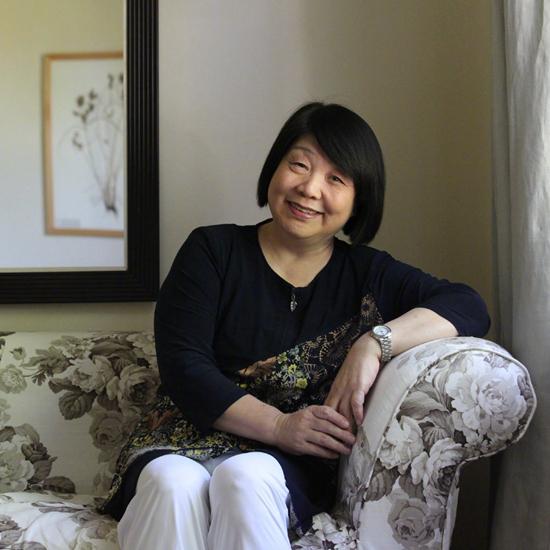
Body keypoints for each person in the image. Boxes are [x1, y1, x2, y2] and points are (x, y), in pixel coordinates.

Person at [100, 102, 490, 549]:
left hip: (282, 464)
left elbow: (468, 305)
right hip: (178, 440)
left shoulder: (369, 273)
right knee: (173, 482)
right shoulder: (212, 250)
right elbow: (185, 368)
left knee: (246, 476)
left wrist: (374, 342)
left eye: (335, 179)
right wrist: (279, 425)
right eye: (299, 165)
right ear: (275, 167)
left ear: (359, 199)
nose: (309, 188)